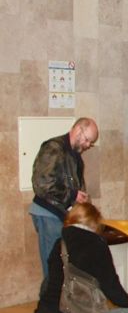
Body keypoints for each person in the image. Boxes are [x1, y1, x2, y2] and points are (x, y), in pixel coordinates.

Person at [30, 117, 98, 278]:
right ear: (78, 130)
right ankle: (50, 302)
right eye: (87, 140)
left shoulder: (73, 153)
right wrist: (73, 195)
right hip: (48, 214)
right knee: (52, 266)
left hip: (60, 214)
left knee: (60, 265)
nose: (88, 145)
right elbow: (42, 183)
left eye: (91, 143)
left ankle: (61, 301)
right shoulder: (54, 148)